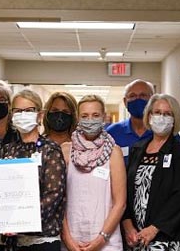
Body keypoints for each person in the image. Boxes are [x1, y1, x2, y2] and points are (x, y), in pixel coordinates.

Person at [0, 89, 66, 251]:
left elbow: (54, 194)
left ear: (39, 115)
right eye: (18, 111)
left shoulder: (50, 150)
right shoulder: (7, 150)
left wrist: (20, 221)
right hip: (8, 240)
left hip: (40, 240)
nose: (22, 114)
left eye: (28, 111)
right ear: (12, 115)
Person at [122, 94, 180, 251]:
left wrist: (154, 229)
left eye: (167, 114)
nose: (161, 117)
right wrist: (127, 225)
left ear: (174, 119)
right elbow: (127, 190)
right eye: (157, 112)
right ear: (149, 116)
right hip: (137, 237)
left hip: (167, 238)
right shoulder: (137, 149)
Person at [61, 95, 126, 251]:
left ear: (104, 117)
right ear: (77, 118)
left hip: (106, 241)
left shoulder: (114, 152)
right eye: (85, 116)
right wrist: (67, 239)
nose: (90, 120)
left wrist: (100, 240)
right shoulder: (66, 150)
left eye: (95, 115)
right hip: (72, 240)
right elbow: (59, 201)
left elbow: (120, 204)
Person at [106, 79, 155, 164]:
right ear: (125, 102)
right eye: (132, 96)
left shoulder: (163, 132)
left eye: (143, 95)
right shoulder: (113, 132)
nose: (138, 99)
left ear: (152, 100)